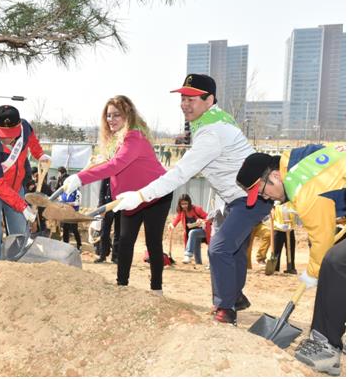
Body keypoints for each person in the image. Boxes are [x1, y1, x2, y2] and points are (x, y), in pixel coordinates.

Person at [113, 75, 273, 322]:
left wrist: (141, 195)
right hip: (237, 198)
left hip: (251, 197)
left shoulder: (212, 132)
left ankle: (225, 308)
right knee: (235, 249)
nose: (184, 104)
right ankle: (235, 297)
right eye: (182, 98)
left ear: (209, 100)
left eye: (191, 99)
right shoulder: (215, 121)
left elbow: (180, 173)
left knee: (219, 249)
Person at [236, 145, 345, 375]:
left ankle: (326, 346)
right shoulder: (296, 162)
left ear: (274, 175)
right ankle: (324, 338)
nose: (267, 198)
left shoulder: (302, 187)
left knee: (335, 262)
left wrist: (312, 273)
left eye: (263, 192)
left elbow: (322, 241)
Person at [63, 95, 171, 295]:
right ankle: (122, 286)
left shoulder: (135, 137)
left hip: (155, 195)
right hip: (131, 198)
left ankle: (157, 289)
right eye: (108, 116)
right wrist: (81, 174)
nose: (111, 120)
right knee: (125, 239)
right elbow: (105, 163)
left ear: (128, 115)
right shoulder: (114, 141)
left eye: (116, 115)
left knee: (153, 242)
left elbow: (115, 166)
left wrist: (81, 178)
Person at [0, 105, 50, 265]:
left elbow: (33, 142)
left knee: (19, 227)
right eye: (3, 134)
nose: (7, 139)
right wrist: (22, 206)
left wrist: (40, 155)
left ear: (18, 126)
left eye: (11, 134)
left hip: (16, 185)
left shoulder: (24, 127)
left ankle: (19, 262)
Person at [168, 194, 211, 265]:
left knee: (192, 232)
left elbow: (209, 218)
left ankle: (188, 255)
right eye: (182, 204)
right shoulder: (182, 212)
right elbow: (177, 219)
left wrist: (202, 220)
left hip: (204, 231)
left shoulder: (197, 209)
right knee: (196, 247)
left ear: (189, 202)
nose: (184, 205)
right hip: (194, 234)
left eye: (186, 203)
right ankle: (199, 264)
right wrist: (172, 225)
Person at [94, 178, 121, 263]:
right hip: (108, 206)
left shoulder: (124, 174)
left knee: (118, 232)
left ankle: (115, 256)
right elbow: (102, 191)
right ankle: (102, 255)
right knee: (104, 232)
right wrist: (101, 208)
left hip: (120, 206)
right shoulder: (106, 176)